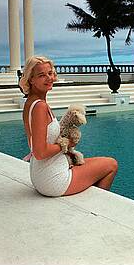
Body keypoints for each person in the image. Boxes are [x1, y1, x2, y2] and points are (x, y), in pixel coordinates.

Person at [20, 56, 118, 197]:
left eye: (50, 73)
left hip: (41, 174)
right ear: (31, 79)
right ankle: (96, 209)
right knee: (111, 165)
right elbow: (40, 152)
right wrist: (67, 143)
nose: (49, 78)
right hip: (52, 179)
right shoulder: (40, 107)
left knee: (97, 166)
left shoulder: (31, 102)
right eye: (42, 75)